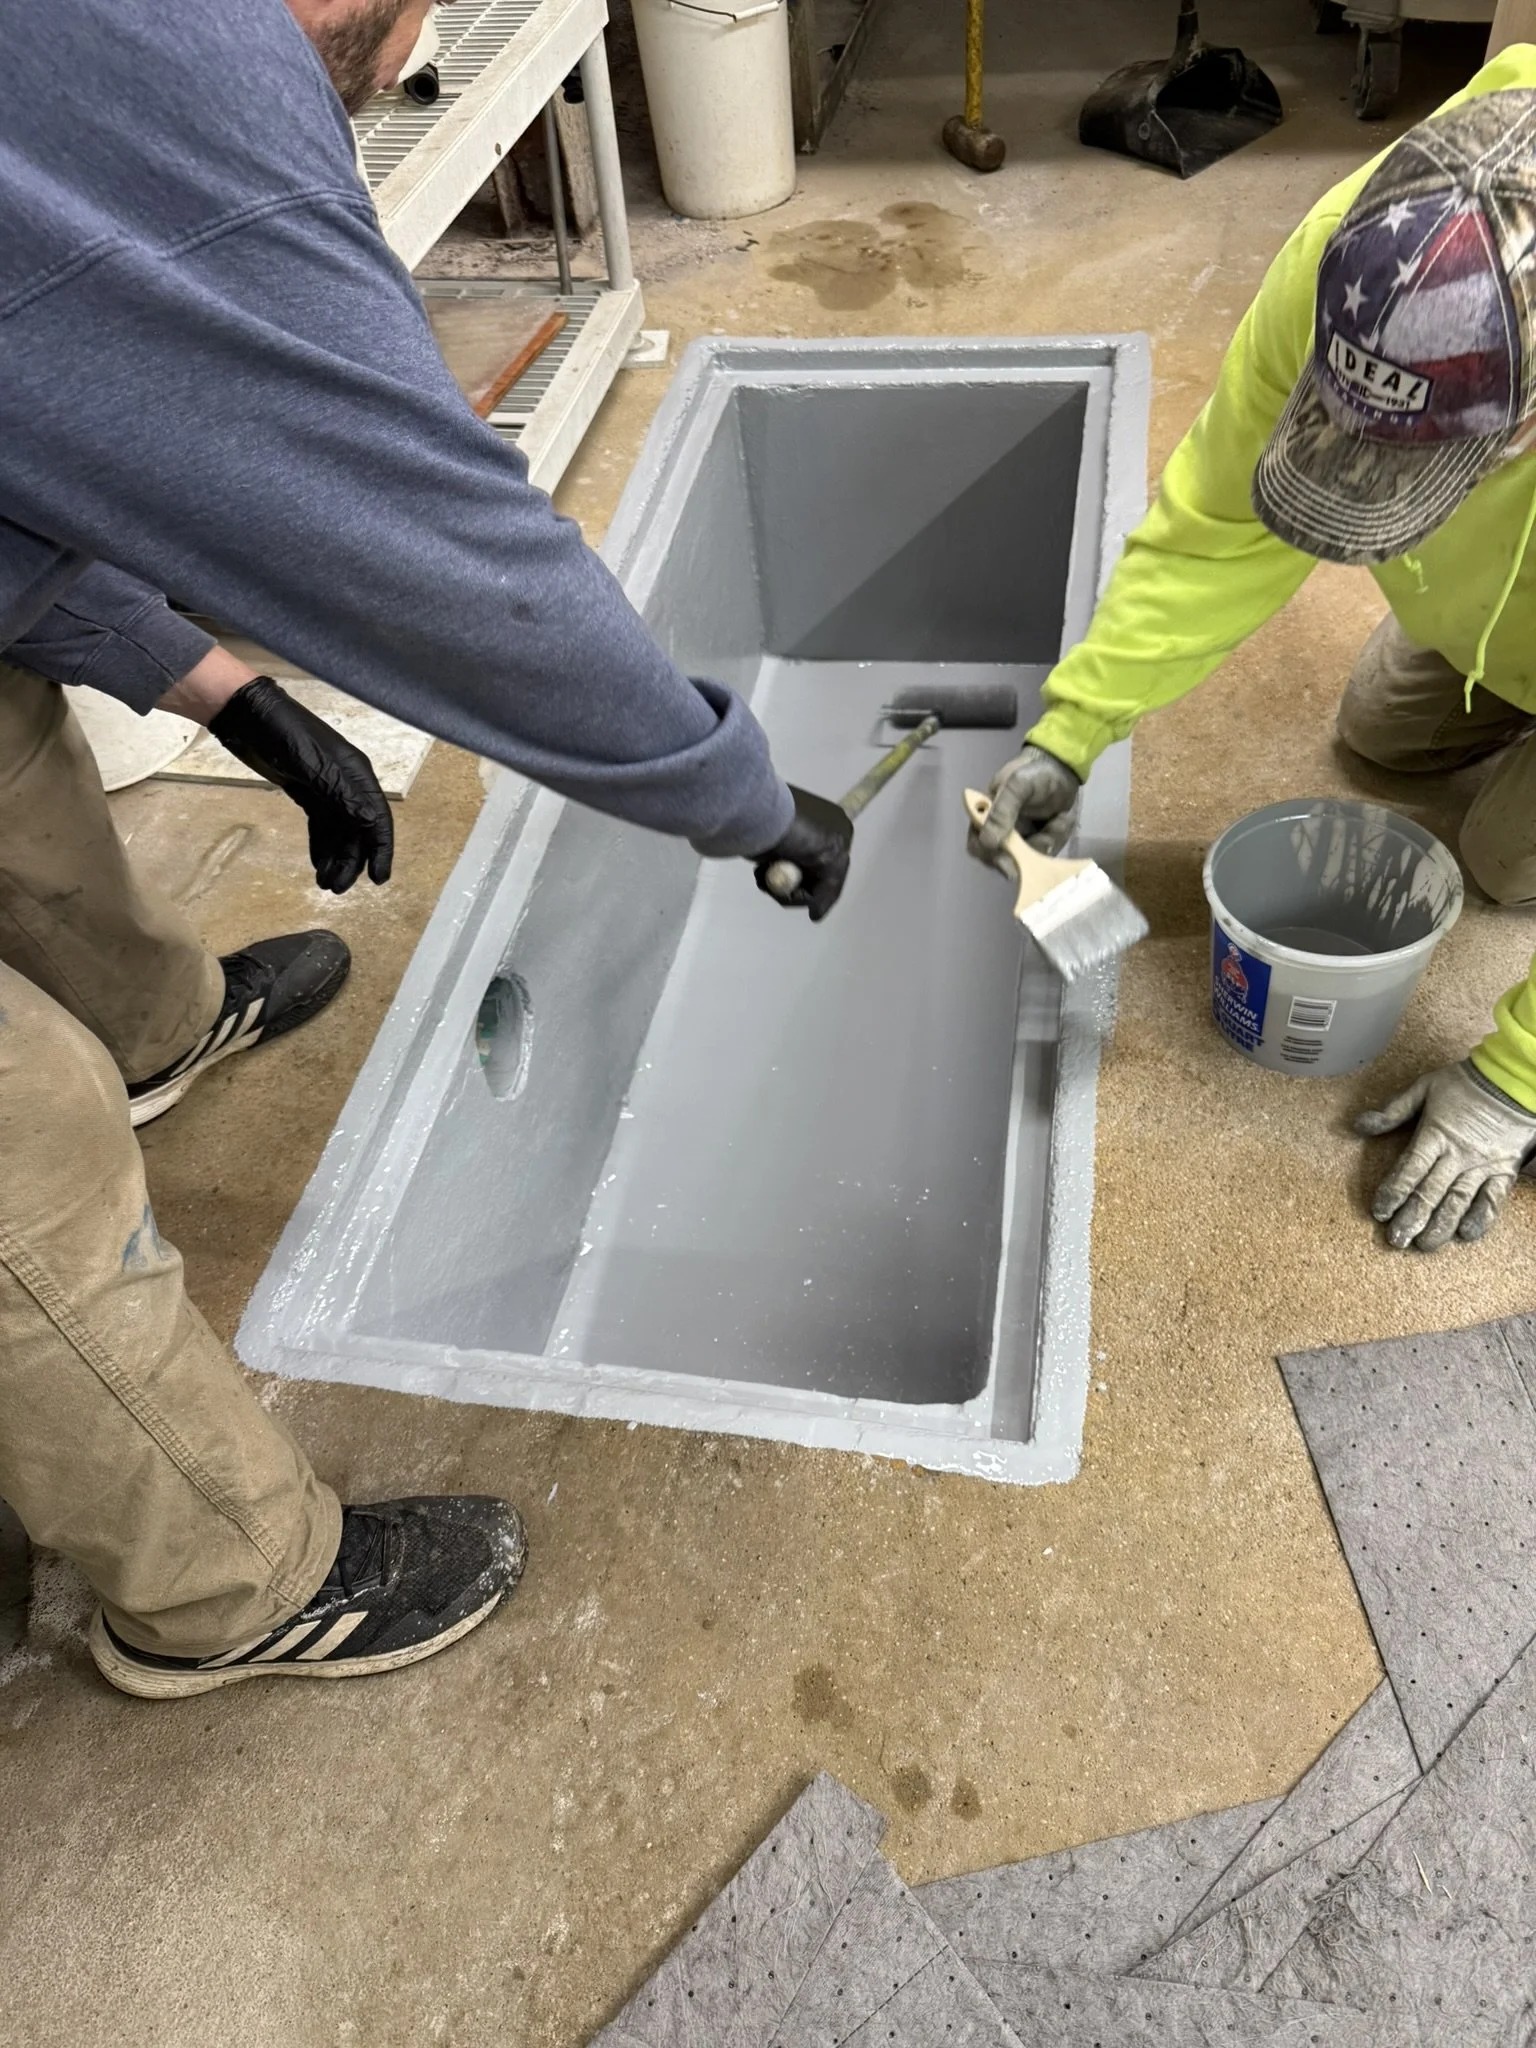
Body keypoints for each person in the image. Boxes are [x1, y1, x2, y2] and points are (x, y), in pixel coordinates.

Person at [0, 0, 852, 1699]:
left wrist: (213, 685)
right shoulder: (189, 68)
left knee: (17, 763)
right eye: (403, 29)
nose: (403, 69)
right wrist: (730, 789)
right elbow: (440, 560)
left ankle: (161, 1021)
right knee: (25, 1141)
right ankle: (227, 1587)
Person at [974, 49, 1536, 1258]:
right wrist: (1077, 725)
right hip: (1498, 597)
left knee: (1501, 868)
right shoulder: (1373, 249)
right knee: (1379, 734)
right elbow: (1223, 522)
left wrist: (1514, 1087)